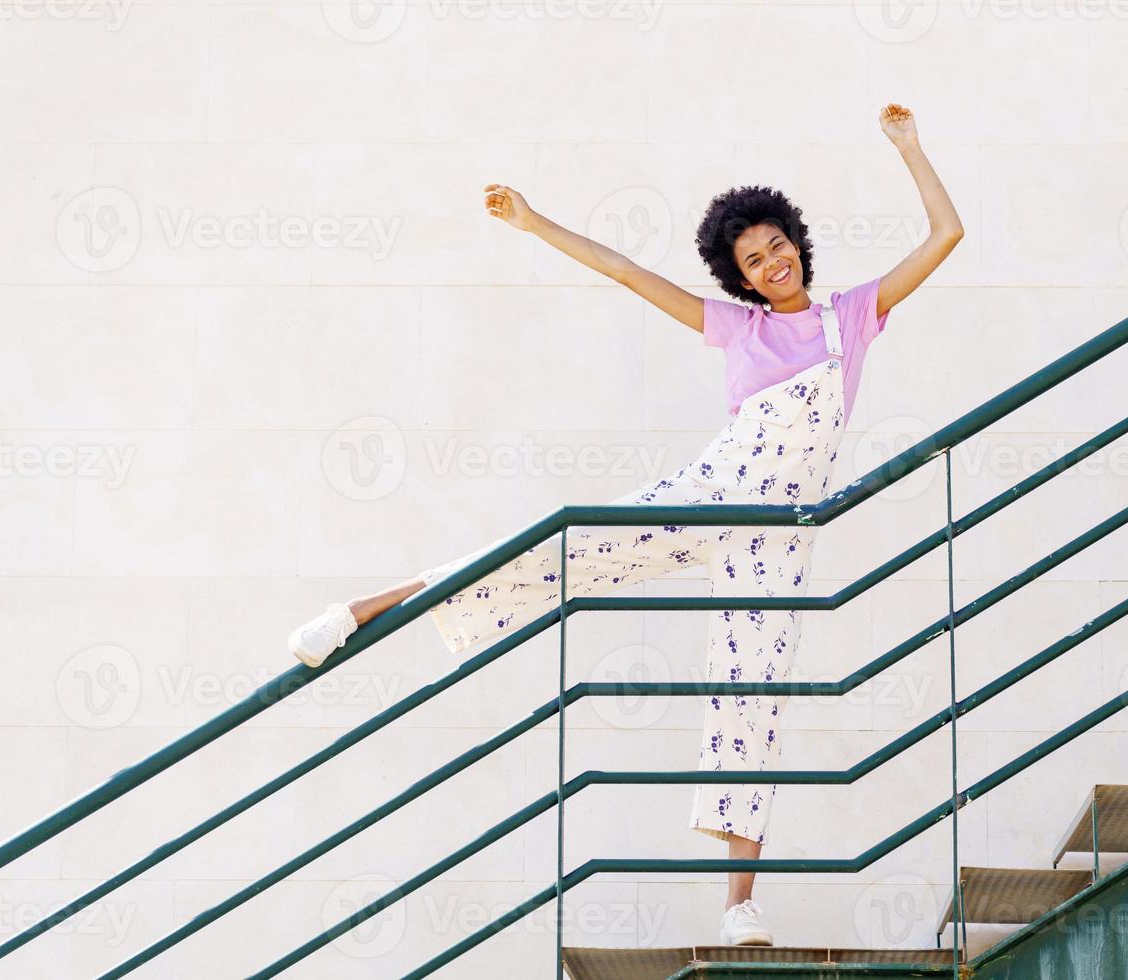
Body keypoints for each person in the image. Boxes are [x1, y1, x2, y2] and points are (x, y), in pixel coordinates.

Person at [286, 103, 963, 947]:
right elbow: (627, 274)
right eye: (752, 259)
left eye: (777, 245)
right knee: (561, 551)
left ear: (796, 242)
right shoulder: (738, 328)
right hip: (713, 492)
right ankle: (358, 611)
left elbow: (945, 235)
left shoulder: (850, 318)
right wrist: (533, 222)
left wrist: (908, 146)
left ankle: (739, 907)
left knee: (754, 696)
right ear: (741, 279)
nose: (771, 262)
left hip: (780, 535)